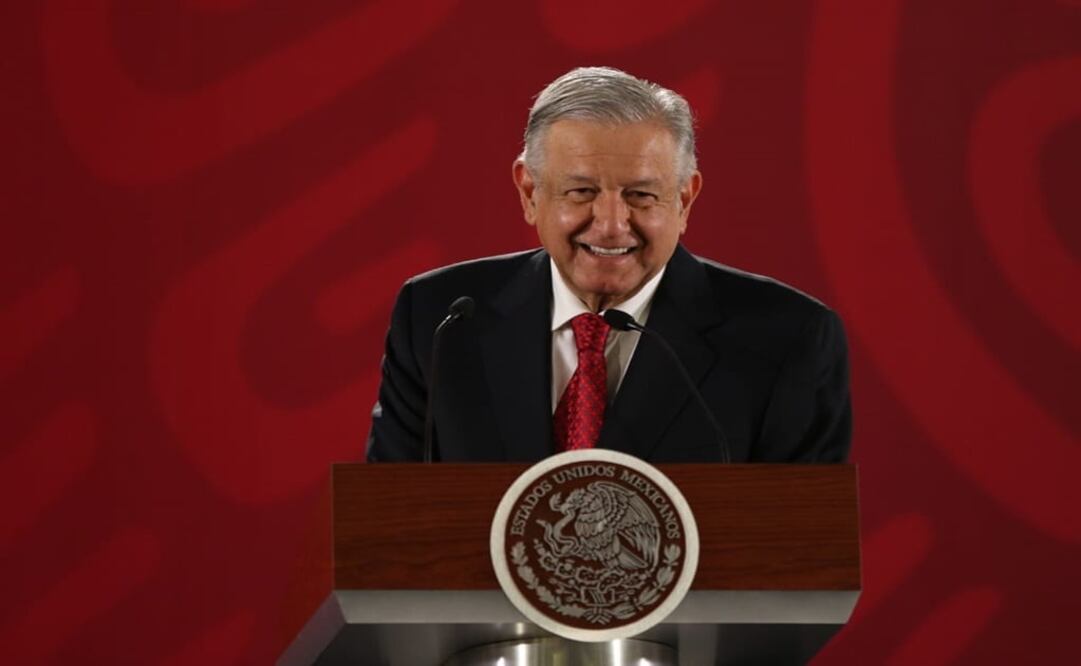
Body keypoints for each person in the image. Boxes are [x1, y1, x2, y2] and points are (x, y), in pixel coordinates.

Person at [366, 67, 850, 464]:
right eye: (581, 192)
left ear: (684, 199)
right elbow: (387, 523)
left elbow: (803, 542)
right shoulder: (441, 320)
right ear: (530, 193)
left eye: (641, 195)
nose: (612, 225)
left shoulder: (788, 338)